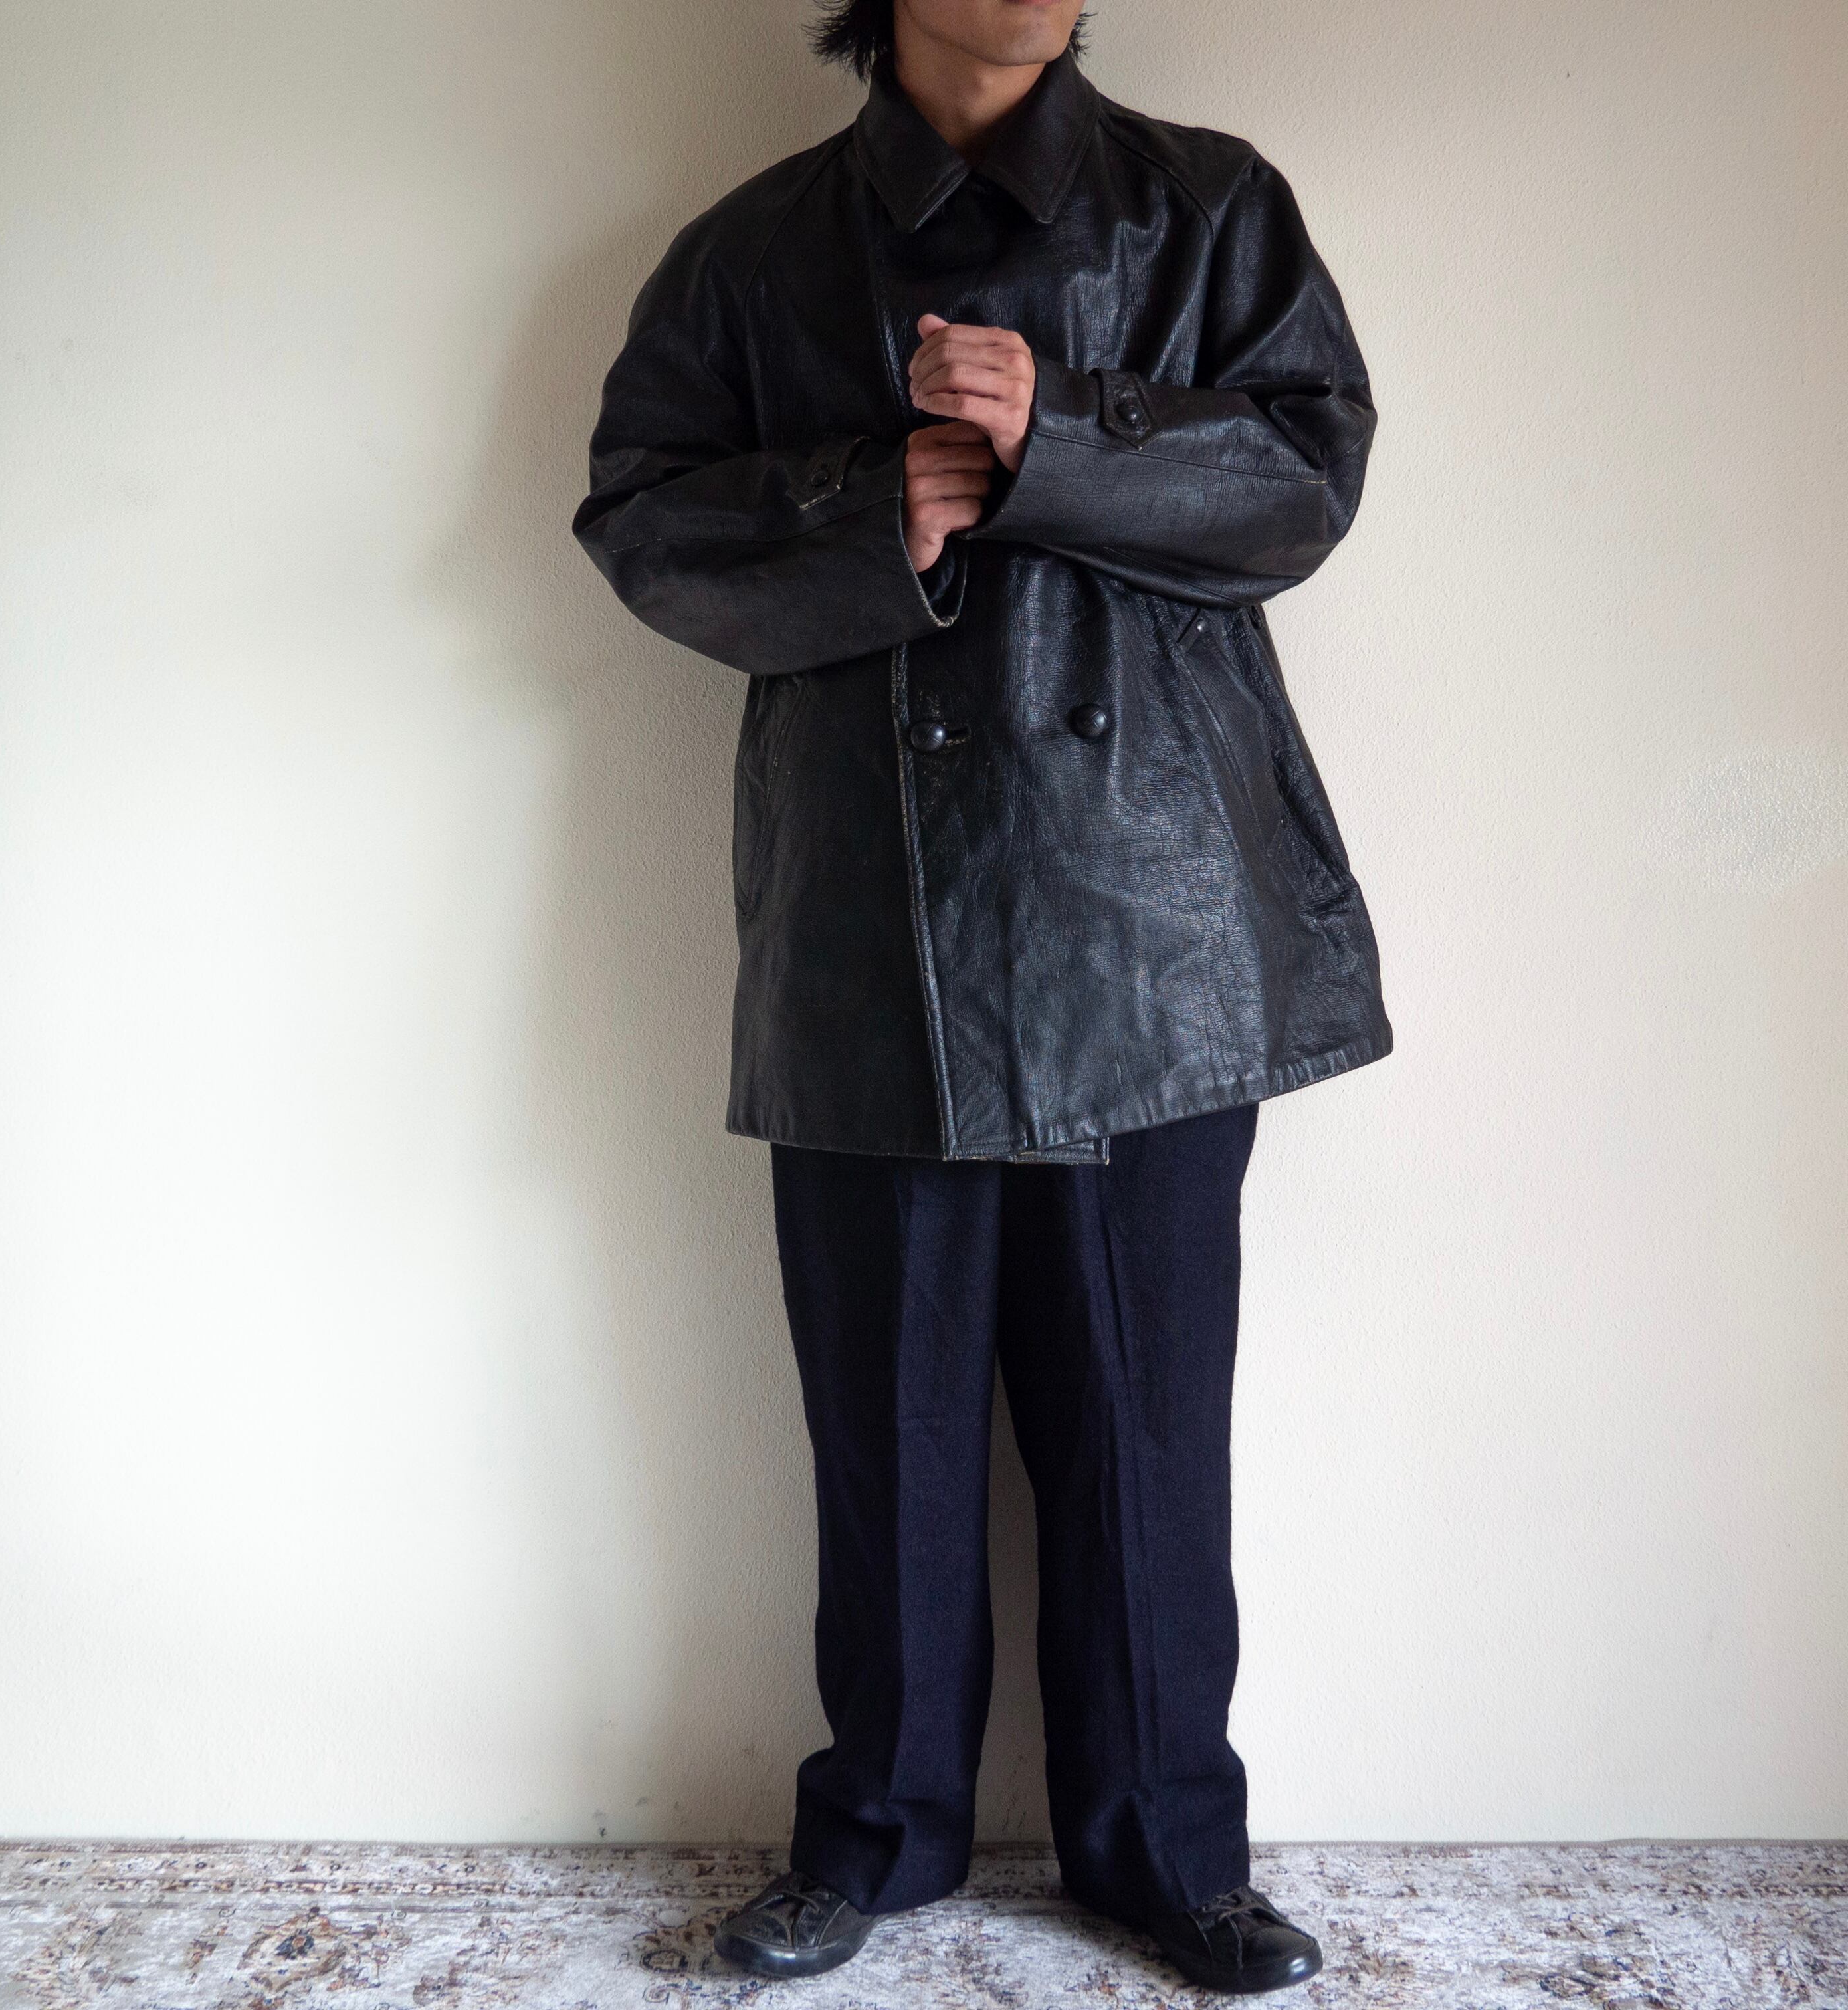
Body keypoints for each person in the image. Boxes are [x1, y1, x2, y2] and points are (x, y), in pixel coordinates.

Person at [572, 0, 1387, 1992]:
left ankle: (1171, 1851)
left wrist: (1065, 430)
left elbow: (1305, 480)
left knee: (1147, 1435)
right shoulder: (752, 252)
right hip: (873, 917)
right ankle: (875, 1835)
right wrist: (881, 505)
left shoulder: (1209, 208)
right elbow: (640, 518)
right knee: (888, 1430)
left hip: (1151, 918)